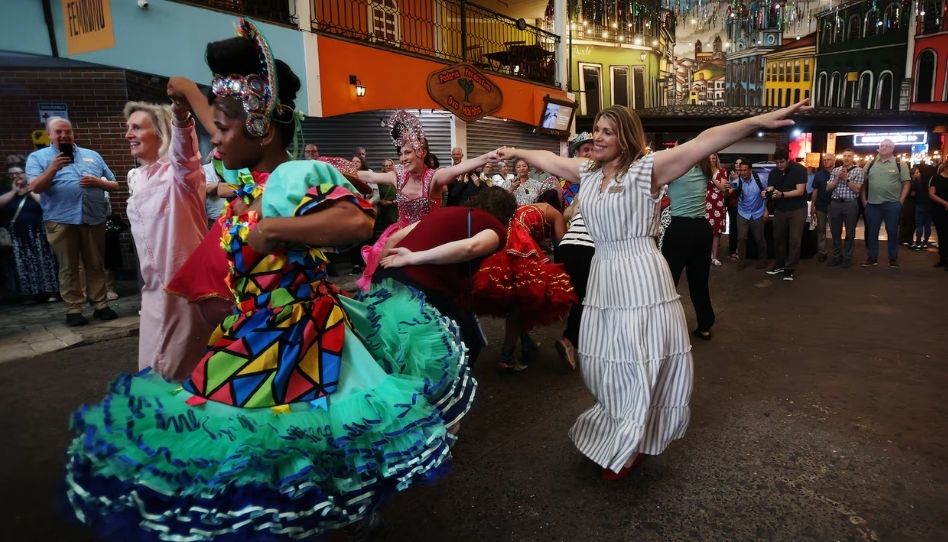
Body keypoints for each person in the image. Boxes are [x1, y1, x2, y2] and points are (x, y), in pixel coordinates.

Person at [64, 19, 475, 540]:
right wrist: (187, 94)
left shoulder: (294, 175)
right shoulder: (251, 184)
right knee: (256, 443)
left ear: (262, 128)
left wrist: (276, 229)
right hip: (253, 332)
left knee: (295, 436)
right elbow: (220, 141)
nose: (218, 141)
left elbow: (356, 220)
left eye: (227, 129)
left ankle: (339, 509)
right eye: (218, 129)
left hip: (302, 336)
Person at [494, 100, 810, 479]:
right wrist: (513, 150)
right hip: (604, 274)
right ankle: (621, 425)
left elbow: (705, 141)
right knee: (597, 361)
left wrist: (758, 121)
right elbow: (546, 158)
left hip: (640, 273)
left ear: (626, 136)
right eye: (596, 129)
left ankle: (630, 443)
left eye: (607, 131)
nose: (598, 137)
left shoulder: (648, 169)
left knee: (635, 360)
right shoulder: (589, 172)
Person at [123, 94, 232, 380]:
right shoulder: (134, 177)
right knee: (150, 366)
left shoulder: (180, 174)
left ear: (160, 133)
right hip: (152, 291)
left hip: (185, 287)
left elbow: (185, 154)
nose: (128, 134)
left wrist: (182, 117)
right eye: (128, 127)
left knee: (177, 368)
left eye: (136, 127)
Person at [355, 111, 496, 289]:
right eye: (400, 153)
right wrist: (333, 169)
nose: (403, 158)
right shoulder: (398, 176)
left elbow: (458, 169)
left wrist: (487, 157)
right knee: (387, 278)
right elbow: (369, 175)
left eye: (407, 152)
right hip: (399, 234)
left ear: (421, 152)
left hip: (427, 239)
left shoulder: (434, 178)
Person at [376, 186, 516, 364]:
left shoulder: (445, 211)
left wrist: (379, 272)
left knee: (392, 343)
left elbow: (392, 239)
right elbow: (470, 247)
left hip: (385, 279)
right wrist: (413, 258)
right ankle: (447, 388)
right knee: (467, 342)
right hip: (422, 287)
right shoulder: (495, 228)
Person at [26, 116, 119, 326]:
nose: (64, 135)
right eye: (58, 132)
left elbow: (114, 184)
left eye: (67, 131)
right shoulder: (38, 158)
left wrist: (98, 182)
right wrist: (53, 168)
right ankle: (74, 309)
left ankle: (101, 305)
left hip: (93, 218)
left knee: (96, 264)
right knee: (69, 267)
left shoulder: (92, 155)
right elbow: (35, 187)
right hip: (61, 220)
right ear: (49, 135)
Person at [471, 190, 575, 372]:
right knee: (519, 304)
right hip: (520, 246)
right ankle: (507, 356)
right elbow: (563, 245)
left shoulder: (518, 212)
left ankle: (526, 342)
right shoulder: (555, 214)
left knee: (516, 302)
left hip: (505, 244)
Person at [663, 156, 715, 339]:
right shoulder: (703, 170)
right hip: (702, 229)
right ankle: (705, 325)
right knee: (699, 282)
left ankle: (663, 327)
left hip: (680, 230)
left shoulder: (675, 171)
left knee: (667, 281)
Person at [0, 166, 58, 303]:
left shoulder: (37, 187)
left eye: (19, 173)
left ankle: (52, 292)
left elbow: (45, 204)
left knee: (45, 261)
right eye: (12, 174)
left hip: (39, 232)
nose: (15, 176)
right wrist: (14, 192)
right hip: (19, 235)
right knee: (23, 264)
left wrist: (30, 190)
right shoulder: (6, 191)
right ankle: (30, 294)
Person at [862, 138, 911, 267]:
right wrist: (864, 200)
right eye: (882, 145)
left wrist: (900, 201)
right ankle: (872, 258)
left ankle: (893, 258)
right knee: (872, 232)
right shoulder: (871, 163)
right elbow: (862, 182)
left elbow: (906, 183)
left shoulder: (900, 163)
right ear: (878, 148)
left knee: (893, 232)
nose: (884, 147)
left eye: (887, 146)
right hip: (872, 205)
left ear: (892, 149)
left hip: (892, 204)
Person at [765, 149, 807, 281]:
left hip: (797, 208)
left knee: (794, 240)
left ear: (788, 159)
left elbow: (800, 191)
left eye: (781, 162)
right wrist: (767, 193)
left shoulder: (799, 169)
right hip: (780, 209)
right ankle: (780, 264)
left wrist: (782, 194)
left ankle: (790, 268)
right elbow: (771, 188)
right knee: (778, 238)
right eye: (777, 163)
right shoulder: (773, 172)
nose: (779, 165)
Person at [826, 148, 865, 268]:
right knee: (835, 232)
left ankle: (847, 257)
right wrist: (838, 178)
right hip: (835, 203)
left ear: (853, 158)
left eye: (849, 156)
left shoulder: (858, 171)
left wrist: (846, 179)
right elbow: (828, 188)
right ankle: (837, 256)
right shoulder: (836, 170)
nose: (847, 158)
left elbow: (857, 189)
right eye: (845, 156)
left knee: (850, 232)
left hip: (850, 203)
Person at [733, 160, 770, 269]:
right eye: (741, 170)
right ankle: (741, 261)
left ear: (750, 170)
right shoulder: (736, 181)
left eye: (745, 170)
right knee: (741, 238)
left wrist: (766, 210)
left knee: (759, 239)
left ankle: (763, 261)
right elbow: (729, 192)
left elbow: (766, 194)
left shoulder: (760, 179)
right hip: (742, 213)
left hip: (757, 213)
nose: (743, 172)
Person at [809, 153, 836, 263]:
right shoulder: (819, 175)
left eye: (828, 159)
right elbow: (815, 191)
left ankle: (836, 252)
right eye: (824, 160)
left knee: (835, 230)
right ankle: (822, 252)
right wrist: (812, 205)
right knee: (821, 230)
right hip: (820, 206)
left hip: (835, 206)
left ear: (834, 161)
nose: (826, 161)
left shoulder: (838, 173)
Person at [706, 152, 729, 266]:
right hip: (705, 202)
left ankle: (714, 257)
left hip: (718, 203)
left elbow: (722, 188)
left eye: (714, 158)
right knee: (705, 230)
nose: (712, 160)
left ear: (717, 159)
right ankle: (705, 255)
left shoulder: (722, 171)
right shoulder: (703, 171)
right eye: (710, 158)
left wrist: (713, 179)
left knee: (716, 231)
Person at [928, 162, 948, 269]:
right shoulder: (935, 178)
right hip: (939, 210)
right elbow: (931, 194)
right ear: (945, 167)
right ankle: (943, 259)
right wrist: (945, 203)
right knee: (942, 234)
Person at [910, 164, 934, 250]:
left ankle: (918, 242)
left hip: (919, 204)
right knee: (927, 225)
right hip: (930, 204)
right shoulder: (933, 180)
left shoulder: (918, 179)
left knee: (919, 225)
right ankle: (925, 242)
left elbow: (913, 193)